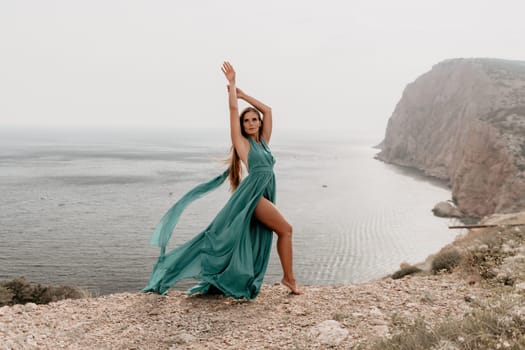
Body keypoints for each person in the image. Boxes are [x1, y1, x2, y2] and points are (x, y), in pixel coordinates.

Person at [142, 61, 302, 299]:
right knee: (286, 229)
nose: (250, 123)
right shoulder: (244, 144)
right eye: (246, 121)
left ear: (258, 123)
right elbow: (232, 112)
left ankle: (282, 277)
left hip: (264, 191)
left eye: (253, 120)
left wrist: (244, 95)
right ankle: (289, 279)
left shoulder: (264, 142)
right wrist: (232, 85)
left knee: (272, 233)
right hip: (251, 196)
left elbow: (268, 110)